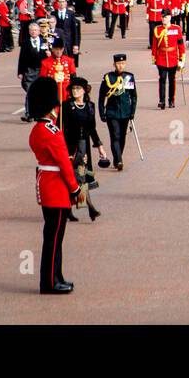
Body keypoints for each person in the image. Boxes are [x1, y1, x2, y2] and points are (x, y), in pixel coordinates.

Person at [27, 75, 82, 293]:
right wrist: (75, 189)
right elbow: (64, 166)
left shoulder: (37, 131)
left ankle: (56, 276)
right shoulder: (52, 132)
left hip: (47, 184)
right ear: (51, 108)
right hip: (56, 188)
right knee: (54, 239)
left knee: (54, 237)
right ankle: (49, 282)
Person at [61, 78, 104, 223]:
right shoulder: (66, 106)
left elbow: (92, 128)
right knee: (76, 177)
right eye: (73, 89)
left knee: (82, 177)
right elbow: (59, 127)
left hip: (84, 146)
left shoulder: (90, 106)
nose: (75, 91)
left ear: (84, 90)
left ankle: (71, 209)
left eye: (78, 88)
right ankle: (89, 208)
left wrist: (100, 147)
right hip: (69, 146)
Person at [97, 54, 137, 171]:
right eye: (119, 63)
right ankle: (119, 160)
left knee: (122, 138)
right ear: (114, 64)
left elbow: (133, 96)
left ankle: (117, 158)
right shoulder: (108, 77)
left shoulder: (129, 77)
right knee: (115, 135)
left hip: (125, 111)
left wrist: (132, 111)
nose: (121, 65)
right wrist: (101, 112)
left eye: (123, 63)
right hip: (112, 111)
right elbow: (101, 97)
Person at [151, 12, 185, 110]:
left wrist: (181, 60)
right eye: (162, 17)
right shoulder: (157, 29)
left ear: (170, 17)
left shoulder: (176, 29)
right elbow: (154, 45)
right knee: (162, 79)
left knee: (171, 80)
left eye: (165, 17)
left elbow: (181, 45)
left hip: (173, 58)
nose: (163, 19)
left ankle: (171, 100)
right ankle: (162, 101)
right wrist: (153, 59)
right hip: (161, 58)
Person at [18, 20, 48, 122]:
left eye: (35, 30)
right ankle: (28, 114)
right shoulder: (25, 43)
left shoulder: (45, 41)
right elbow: (21, 58)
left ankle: (40, 113)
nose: (34, 32)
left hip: (42, 70)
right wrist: (20, 72)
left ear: (39, 31)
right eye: (32, 30)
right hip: (29, 71)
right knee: (30, 92)